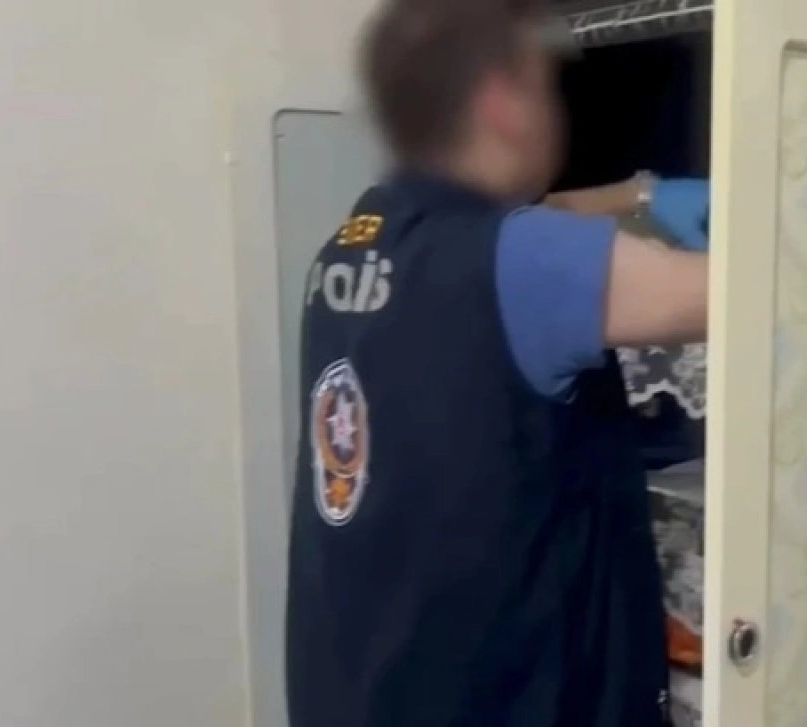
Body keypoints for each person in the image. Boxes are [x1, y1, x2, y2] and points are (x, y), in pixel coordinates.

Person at [285, 0, 711, 724]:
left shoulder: (356, 244)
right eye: (545, 86)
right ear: (501, 102)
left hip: (375, 691)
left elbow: (520, 229)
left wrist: (639, 195)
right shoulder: (521, 263)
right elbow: (748, 292)